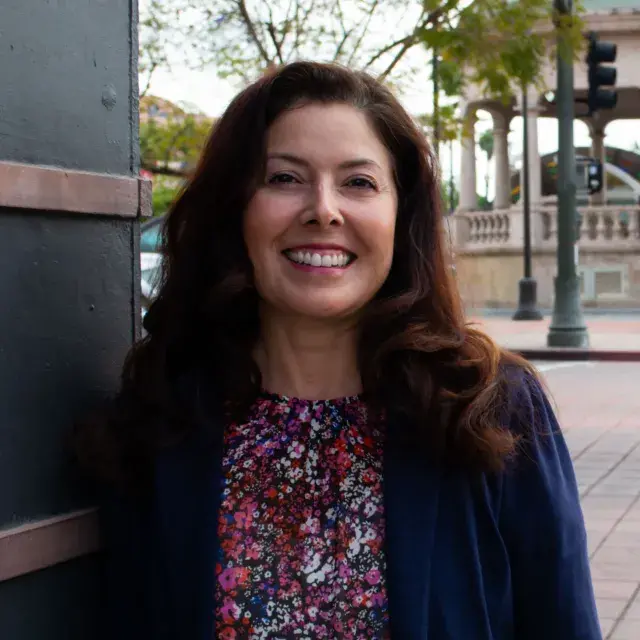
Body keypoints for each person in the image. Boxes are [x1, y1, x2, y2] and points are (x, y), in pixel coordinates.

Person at [78, 61, 601, 639]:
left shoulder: (490, 412)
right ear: (234, 209)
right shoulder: (163, 418)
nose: (323, 209)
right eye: (284, 178)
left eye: (359, 182)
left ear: (401, 216)